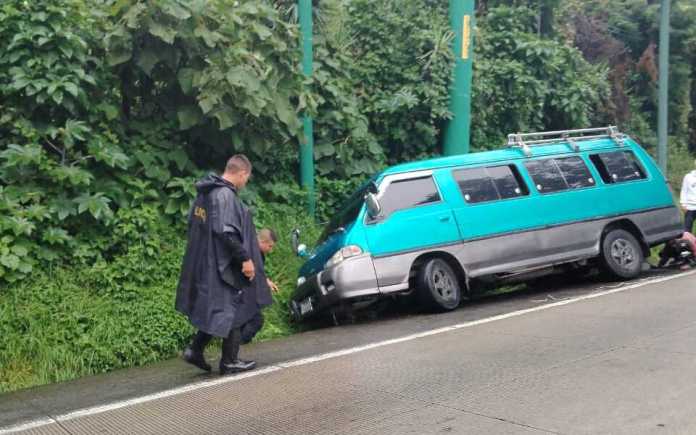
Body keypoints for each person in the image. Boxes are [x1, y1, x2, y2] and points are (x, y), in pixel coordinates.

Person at [175, 154, 272, 375]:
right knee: (236, 306)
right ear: (242, 173)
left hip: (204, 261)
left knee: (218, 309)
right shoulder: (225, 195)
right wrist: (246, 259)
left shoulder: (205, 193)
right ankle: (229, 361)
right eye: (247, 178)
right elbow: (227, 232)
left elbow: (195, 225)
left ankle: (195, 350)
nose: (246, 183)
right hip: (222, 265)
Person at [240, 228, 279, 344]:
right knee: (256, 320)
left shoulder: (258, 252)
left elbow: (256, 270)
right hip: (239, 291)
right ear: (262, 242)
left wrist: (266, 281)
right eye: (270, 246)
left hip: (245, 292)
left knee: (247, 321)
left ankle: (234, 349)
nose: (270, 250)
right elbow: (248, 271)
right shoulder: (249, 250)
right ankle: (236, 347)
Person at [680, 160, 696, 233]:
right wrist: (683, 204)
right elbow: (684, 190)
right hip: (690, 206)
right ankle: (688, 242)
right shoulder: (688, 176)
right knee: (687, 228)